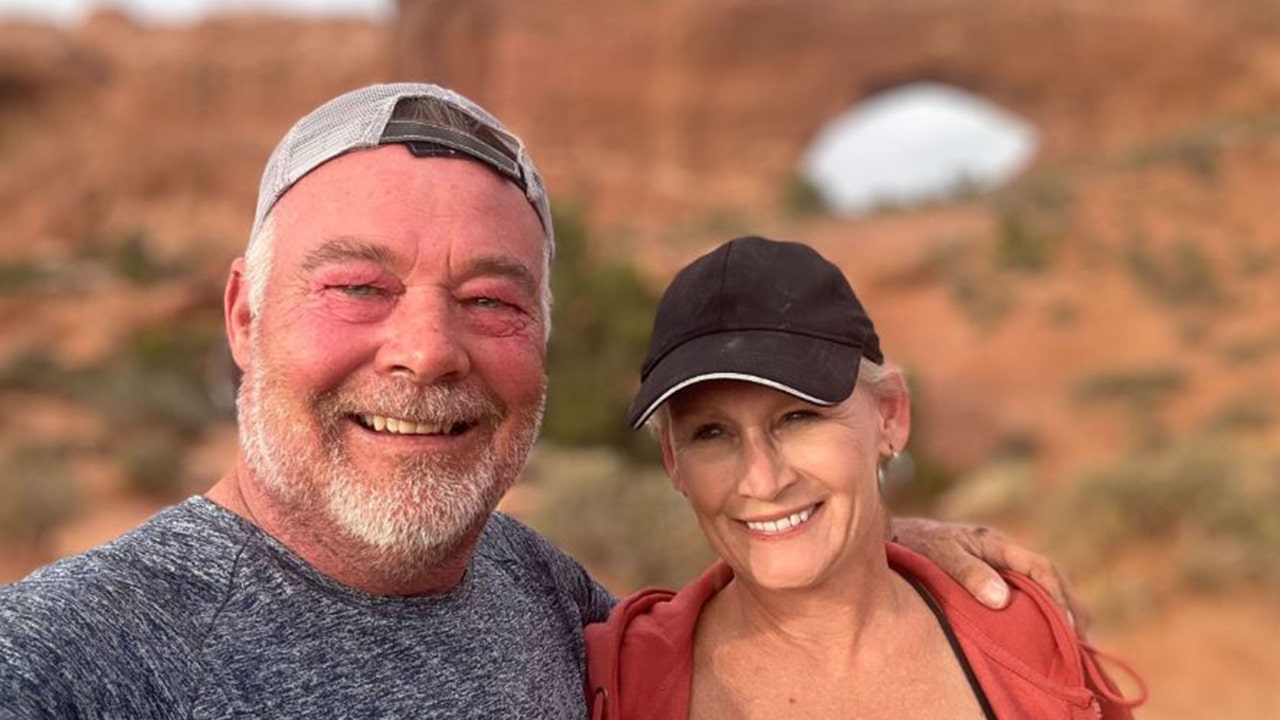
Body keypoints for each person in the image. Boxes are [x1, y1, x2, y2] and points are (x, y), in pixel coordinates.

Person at [0, 84, 1081, 718]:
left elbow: (743, 623)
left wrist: (876, 549)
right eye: (358, 287)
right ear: (243, 314)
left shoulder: (537, 591)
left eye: (490, 300)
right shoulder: (73, 659)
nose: (428, 351)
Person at [586, 236, 1146, 719]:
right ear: (672, 460)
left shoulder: (1021, 644)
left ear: (890, 416)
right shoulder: (615, 680)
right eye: (711, 432)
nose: (763, 480)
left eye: (798, 417)